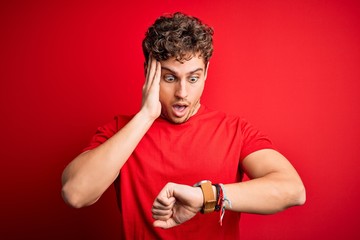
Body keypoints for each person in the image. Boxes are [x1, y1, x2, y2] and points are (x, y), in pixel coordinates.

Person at [61, 12, 306, 239]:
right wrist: (146, 116)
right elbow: (76, 193)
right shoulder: (121, 132)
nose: (182, 92)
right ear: (149, 73)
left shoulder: (235, 130)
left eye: (193, 78)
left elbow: (292, 190)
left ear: (206, 71)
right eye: (170, 78)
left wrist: (206, 196)